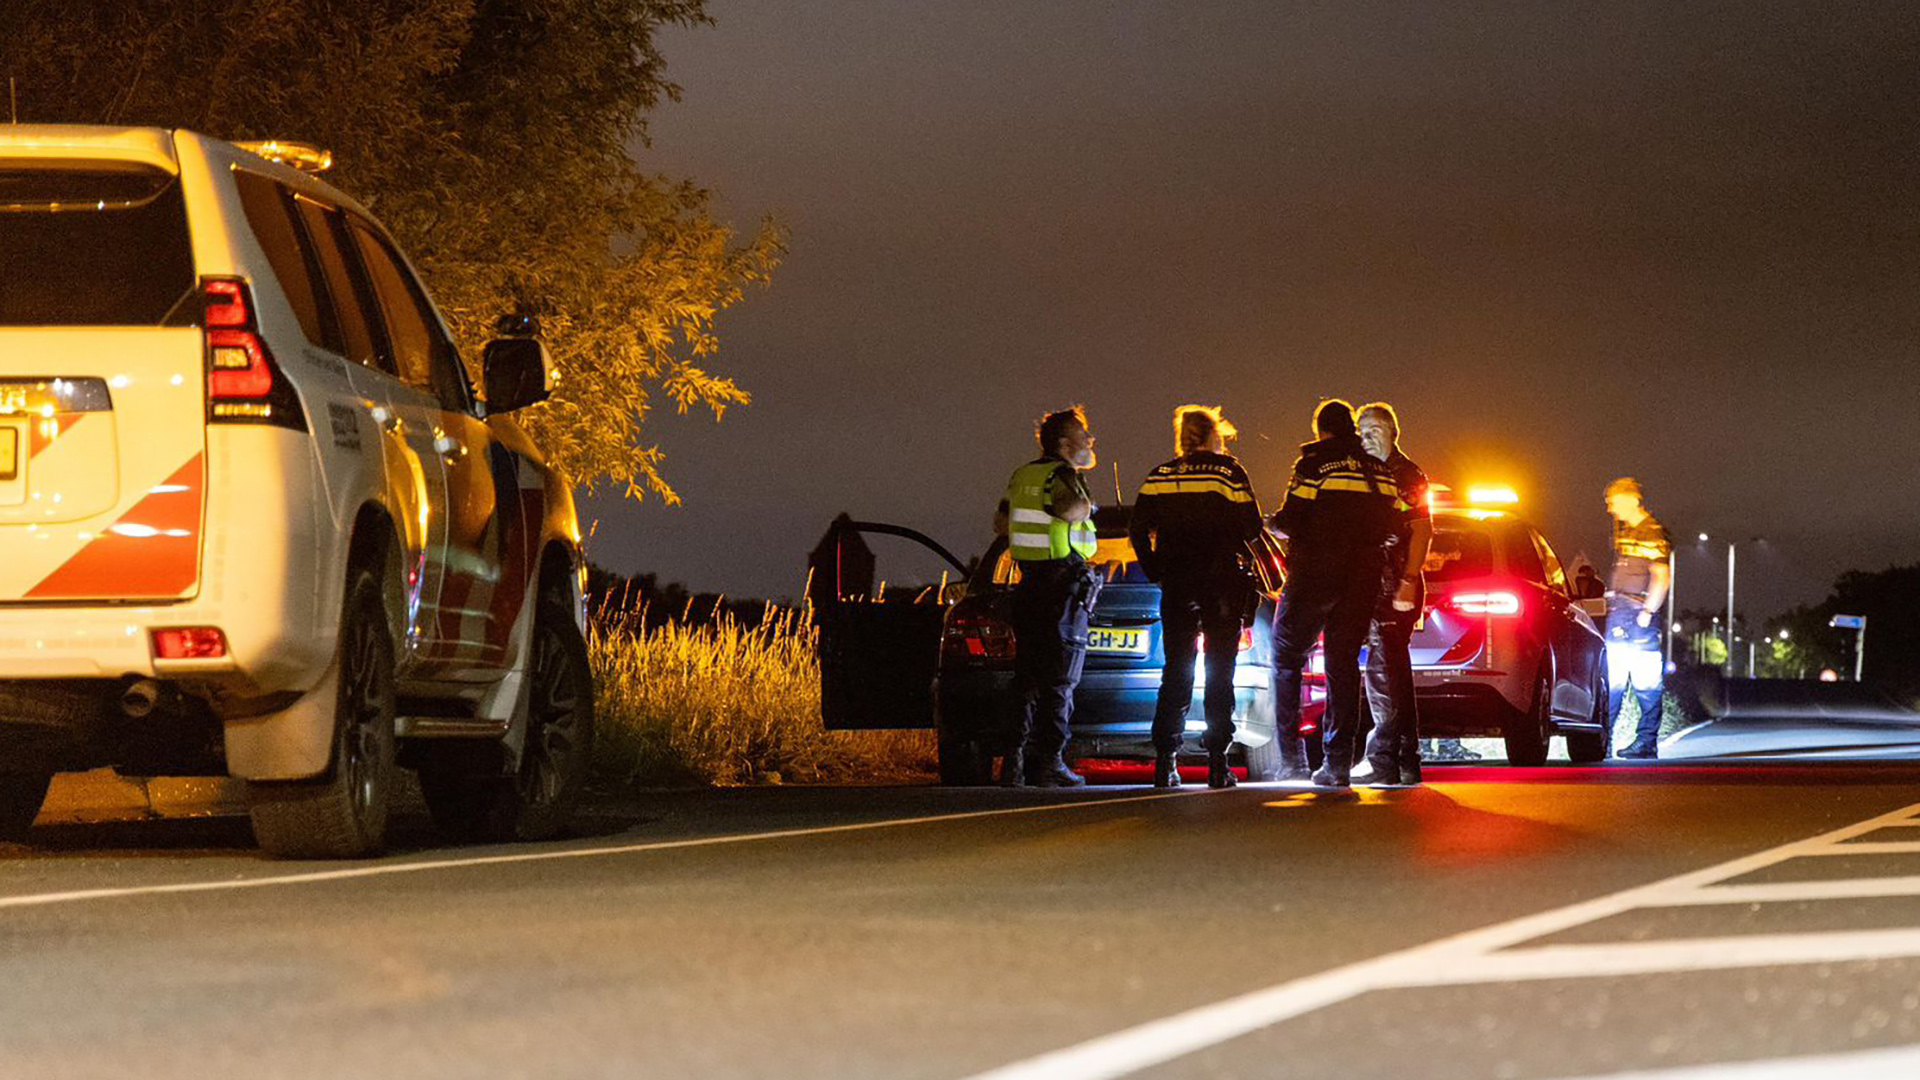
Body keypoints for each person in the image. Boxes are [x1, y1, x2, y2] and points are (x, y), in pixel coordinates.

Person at [1268, 399, 1405, 789]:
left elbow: (1292, 518)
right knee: (1343, 665)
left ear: (1321, 430)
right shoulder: (1379, 471)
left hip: (1314, 574)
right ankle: (1338, 763)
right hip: (1361, 579)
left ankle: (1290, 760)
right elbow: (1395, 526)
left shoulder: (1314, 463)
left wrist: (1275, 526)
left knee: (1286, 655)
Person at [1128, 406, 1265, 789]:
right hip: (1221, 583)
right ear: (1214, 436)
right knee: (1220, 672)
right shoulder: (1228, 472)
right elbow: (1252, 527)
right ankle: (1218, 764)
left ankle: (1165, 760)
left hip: (1177, 583)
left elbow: (1137, 529)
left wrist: (1156, 569)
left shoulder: (1160, 475)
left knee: (1176, 670)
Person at [995, 406, 1104, 787]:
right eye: (1083, 434)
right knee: (1060, 680)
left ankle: (1012, 762)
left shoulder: (1022, 475)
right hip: (1061, 588)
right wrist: (1088, 506)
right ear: (1063, 443)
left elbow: (1000, 523)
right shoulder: (1061, 475)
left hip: (1029, 585)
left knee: (1025, 679)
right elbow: (1070, 509)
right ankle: (1050, 762)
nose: (1090, 441)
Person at [1356, 403, 1431, 787]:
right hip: (1376, 581)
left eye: (1374, 428)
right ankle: (1403, 760)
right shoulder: (1365, 472)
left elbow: (1421, 529)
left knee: (1386, 672)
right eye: (1361, 429)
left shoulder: (1407, 473)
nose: (1366, 436)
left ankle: (1385, 758)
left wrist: (1408, 579)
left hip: (1394, 582)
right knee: (1389, 672)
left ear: (1392, 433)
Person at [1603, 477, 1671, 759]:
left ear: (1631, 499)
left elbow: (1661, 576)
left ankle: (1645, 741)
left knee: (1645, 683)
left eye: (1613, 502)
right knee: (1613, 682)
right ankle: (1603, 740)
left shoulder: (1651, 533)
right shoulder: (1628, 531)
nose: (1610, 509)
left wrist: (1647, 613)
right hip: (1620, 614)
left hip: (1637, 617)